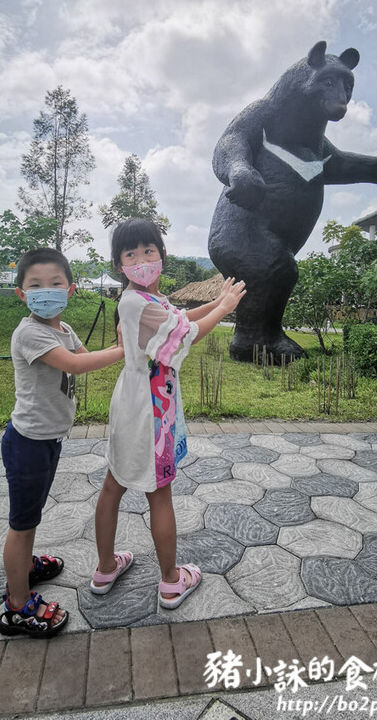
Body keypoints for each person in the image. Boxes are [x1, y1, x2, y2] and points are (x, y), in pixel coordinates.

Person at [91, 219, 246, 609]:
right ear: (119, 263)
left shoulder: (148, 301)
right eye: (131, 254)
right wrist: (225, 308)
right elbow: (188, 335)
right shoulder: (137, 302)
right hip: (149, 414)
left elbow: (181, 319)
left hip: (134, 405)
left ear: (162, 254)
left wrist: (219, 302)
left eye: (149, 250)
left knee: (114, 485)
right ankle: (171, 581)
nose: (142, 259)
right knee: (159, 494)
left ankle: (106, 568)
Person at [0, 246, 124, 638]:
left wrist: (118, 342)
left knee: (30, 514)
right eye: (36, 285)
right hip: (28, 443)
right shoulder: (30, 332)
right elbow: (74, 364)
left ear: (70, 290)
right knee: (22, 523)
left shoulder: (63, 329)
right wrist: (123, 350)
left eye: (55, 284)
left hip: (47, 440)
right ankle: (17, 607)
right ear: (21, 293)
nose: (46, 291)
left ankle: (26, 567)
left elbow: (84, 355)